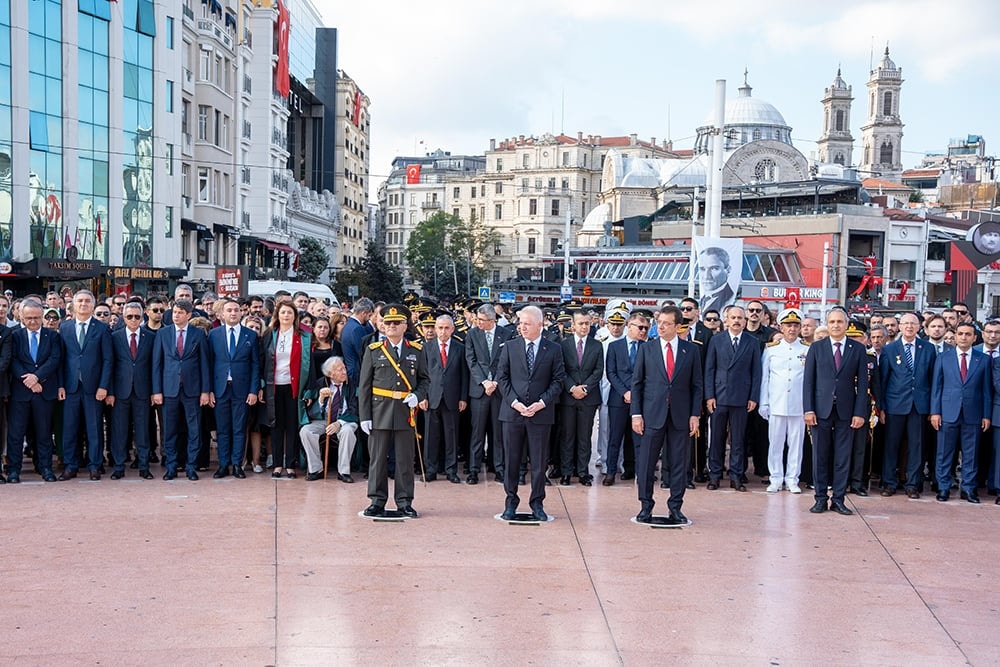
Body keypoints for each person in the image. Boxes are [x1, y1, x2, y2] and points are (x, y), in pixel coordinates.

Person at [631, 305, 703, 524]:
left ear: (678, 326)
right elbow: (637, 383)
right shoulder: (647, 349)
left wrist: (695, 414)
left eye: (666, 323)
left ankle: (676, 506)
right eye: (659, 322)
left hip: (680, 415)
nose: (660, 326)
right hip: (652, 414)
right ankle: (645, 506)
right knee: (646, 463)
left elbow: (697, 385)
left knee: (680, 462)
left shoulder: (690, 351)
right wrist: (636, 414)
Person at [496, 305, 566, 521]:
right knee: (512, 461)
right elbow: (502, 378)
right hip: (512, 413)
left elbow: (558, 380)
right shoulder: (509, 347)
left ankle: (537, 503)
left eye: (526, 323)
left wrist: (542, 403)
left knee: (538, 462)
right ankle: (511, 502)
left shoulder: (553, 349)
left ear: (539, 324)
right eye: (520, 323)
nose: (521, 327)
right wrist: (515, 403)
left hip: (540, 414)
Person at [359, 304, 430, 518]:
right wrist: (365, 416)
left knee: (404, 461)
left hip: (404, 413)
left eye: (396, 323)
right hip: (379, 411)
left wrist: (417, 396)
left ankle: (404, 501)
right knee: (378, 460)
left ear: (404, 325)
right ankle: (377, 500)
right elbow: (364, 386)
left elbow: (425, 380)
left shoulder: (416, 350)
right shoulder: (374, 351)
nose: (391, 326)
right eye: (387, 323)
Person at [803, 307, 870, 515]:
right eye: (832, 322)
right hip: (820, 410)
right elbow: (808, 383)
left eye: (839, 322)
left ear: (846, 324)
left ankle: (839, 499)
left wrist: (860, 413)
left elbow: (863, 384)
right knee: (820, 456)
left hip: (846, 411)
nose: (835, 325)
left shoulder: (857, 349)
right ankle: (820, 498)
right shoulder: (817, 347)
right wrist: (808, 409)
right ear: (827, 323)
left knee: (843, 457)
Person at [930, 322, 992, 503]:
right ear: (955, 336)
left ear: (974, 337)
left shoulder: (983, 359)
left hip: (973, 413)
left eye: (968, 334)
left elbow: (987, 390)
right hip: (947, 412)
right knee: (944, 452)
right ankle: (943, 488)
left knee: (971, 455)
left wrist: (986, 415)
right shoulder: (943, 357)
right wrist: (935, 412)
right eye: (961, 334)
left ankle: (969, 489)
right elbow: (937, 386)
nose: (964, 337)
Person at [151, 299, 211, 481]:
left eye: (180, 312)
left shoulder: (198, 334)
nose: (176, 315)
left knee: (194, 430)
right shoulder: (163, 334)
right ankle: (171, 466)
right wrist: (157, 391)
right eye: (174, 312)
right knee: (169, 430)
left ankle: (191, 466)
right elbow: (157, 364)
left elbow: (204, 365)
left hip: (192, 390)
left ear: (188, 315)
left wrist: (205, 391)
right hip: (169, 390)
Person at [704, 306, 761, 492]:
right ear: (726, 320)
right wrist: (709, 395)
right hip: (719, 396)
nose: (737, 321)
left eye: (740, 318)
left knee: (738, 440)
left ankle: (736, 476)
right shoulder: (716, 340)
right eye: (733, 317)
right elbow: (709, 369)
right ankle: (715, 475)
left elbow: (756, 372)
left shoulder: (751, 342)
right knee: (717, 439)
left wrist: (753, 396)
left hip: (742, 398)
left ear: (745, 321)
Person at [58, 289, 113, 481]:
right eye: (79, 301)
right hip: (70, 386)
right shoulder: (64, 327)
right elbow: (60, 359)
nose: (83, 304)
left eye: (87, 301)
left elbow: (108, 360)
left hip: (93, 387)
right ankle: (70, 466)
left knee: (94, 428)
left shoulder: (102, 328)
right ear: (73, 304)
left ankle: (94, 465)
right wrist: (60, 385)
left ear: (93, 304)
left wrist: (103, 386)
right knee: (70, 428)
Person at [879, 313, 936, 498]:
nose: (909, 327)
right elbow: (884, 380)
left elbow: (932, 380)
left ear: (920, 327)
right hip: (895, 404)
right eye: (905, 324)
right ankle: (889, 482)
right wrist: (882, 407)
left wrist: (932, 408)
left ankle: (913, 484)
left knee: (916, 446)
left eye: (913, 324)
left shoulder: (928, 348)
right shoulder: (890, 349)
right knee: (891, 445)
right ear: (899, 327)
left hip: (919, 405)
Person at [5, 300, 62, 483]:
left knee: (44, 433)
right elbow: (12, 360)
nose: (33, 322)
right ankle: (14, 470)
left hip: (44, 391)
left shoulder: (52, 336)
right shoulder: (15, 335)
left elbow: (54, 360)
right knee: (16, 433)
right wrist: (29, 380)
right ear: (21, 317)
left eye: (37, 318)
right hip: (20, 393)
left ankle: (45, 468)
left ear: (42, 317)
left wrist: (37, 377)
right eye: (28, 318)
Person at [207, 298, 260, 479]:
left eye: (236, 310)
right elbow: (209, 364)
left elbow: (255, 365)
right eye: (229, 310)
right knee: (222, 429)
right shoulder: (214, 335)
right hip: (220, 388)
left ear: (241, 313)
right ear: (222, 314)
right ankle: (223, 465)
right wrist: (209, 390)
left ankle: (237, 464)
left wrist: (253, 390)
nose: (233, 313)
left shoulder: (250, 335)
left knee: (239, 428)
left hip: (242, 389)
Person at [261, 300, 313, 478]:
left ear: (295, 316)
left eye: (290, 313)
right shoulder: (269, 334)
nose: (286, 316)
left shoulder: (303, 337)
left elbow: (309, 364)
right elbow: (262, 361)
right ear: (278, 315)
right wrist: (261, 386)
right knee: (276, 425)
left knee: (292, 425)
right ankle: (277, 464)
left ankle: (290, 464)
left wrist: (308, 390)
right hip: (273, 386)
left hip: (294, 387)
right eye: (283, 312)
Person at [759, 308, 809, 493]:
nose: (792, 329)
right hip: (777, 403)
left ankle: (792, 478)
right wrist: (764, 402)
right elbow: (765, 377)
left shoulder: (807, 349)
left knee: (796, 444)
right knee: (775, 443)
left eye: (796, 325)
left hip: (799, 404)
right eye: (788, 325)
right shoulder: (771, 349)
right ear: (781, 326)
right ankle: (776, 477)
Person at [465, 303, 514, 484]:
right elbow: (471, 360)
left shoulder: (506, 334)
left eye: (483, 320)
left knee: (498, 432)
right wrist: (484, 382)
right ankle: (473, 470)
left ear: (493, 320)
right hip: (479, 390)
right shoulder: (472, 334)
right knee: (477, 432)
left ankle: (499, 468)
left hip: (499, 391)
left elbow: (506, 362)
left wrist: (495, 382)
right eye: (477, 319)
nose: (479, 323)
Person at [108, 302, 155, 479]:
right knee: (119, 431)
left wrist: (154, 391)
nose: (133, 320)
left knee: (143, 431)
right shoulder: (115, 337)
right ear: (123, 318)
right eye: (129, 316)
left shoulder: (150, 337)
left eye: (137, 316)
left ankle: (144, 466)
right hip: (120, 391)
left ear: (142, 317)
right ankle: (119, 467)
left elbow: (154, 366)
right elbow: (110, 365)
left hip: (143, 390)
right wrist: (110, 391)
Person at [419, 314, 469, 483]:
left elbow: (464, 375)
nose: (443, 331)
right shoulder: (426, 347)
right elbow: (422, 375)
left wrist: (463, 397)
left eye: (447, 328)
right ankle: (430, 470)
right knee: (431, 437)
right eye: (440, 328)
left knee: (451, 436)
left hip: (452, 398)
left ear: (452, 329)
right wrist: (422, 396)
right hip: (431, 398)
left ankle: (451, 470)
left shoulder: (459, 348)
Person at [558, 310, 604, 486]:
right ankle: (566, 472)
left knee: (585, 436)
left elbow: (598, 371)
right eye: (581, 323)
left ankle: (583, 472)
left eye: (587, 323)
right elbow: (561, 369)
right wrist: (572, 388)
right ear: (573, 324)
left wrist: (584, 388)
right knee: (567, 435)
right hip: (568, 398)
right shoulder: (564, 345)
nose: (585, 326)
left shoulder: (596, 345)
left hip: (588, 397)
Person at [604, 311, 648, 486]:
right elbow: (611, 373)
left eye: (646, 328)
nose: (643, 331)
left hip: (640, 399)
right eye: (640, 327)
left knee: (638, 438)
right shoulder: (615, 347)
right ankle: (610, 472)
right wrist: (625, 392)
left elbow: (649, 374)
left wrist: (635, 394)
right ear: (629, 327)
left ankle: (637, 472)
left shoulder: (647, 347)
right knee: (615, 437)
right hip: (618, 399)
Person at [300, 356, 359, 483]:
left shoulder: (352, 383)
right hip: (324, 419)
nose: (344, 372)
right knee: (306, 431)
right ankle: (316, 469)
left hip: (345, 420)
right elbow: (312, 413)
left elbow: (355, 408)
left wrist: (339, 423)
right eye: (340, 369)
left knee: (347, 432)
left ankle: (343, 471)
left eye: (344, 368)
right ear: (330, 374)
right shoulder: (320, 383)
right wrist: (321, 399)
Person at [342, 297, 375, 387]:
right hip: (356, 373)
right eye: (369, 315)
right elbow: (363, 353)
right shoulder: (357, 329)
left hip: (351, 371)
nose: (369, 319)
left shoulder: (349, 325)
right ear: (363, 313)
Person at [697, 246, 735, 314]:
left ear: (728, 270)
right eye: (703, 269)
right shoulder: (703, 299)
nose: (707, 276)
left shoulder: (729, 298)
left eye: (714, 268)